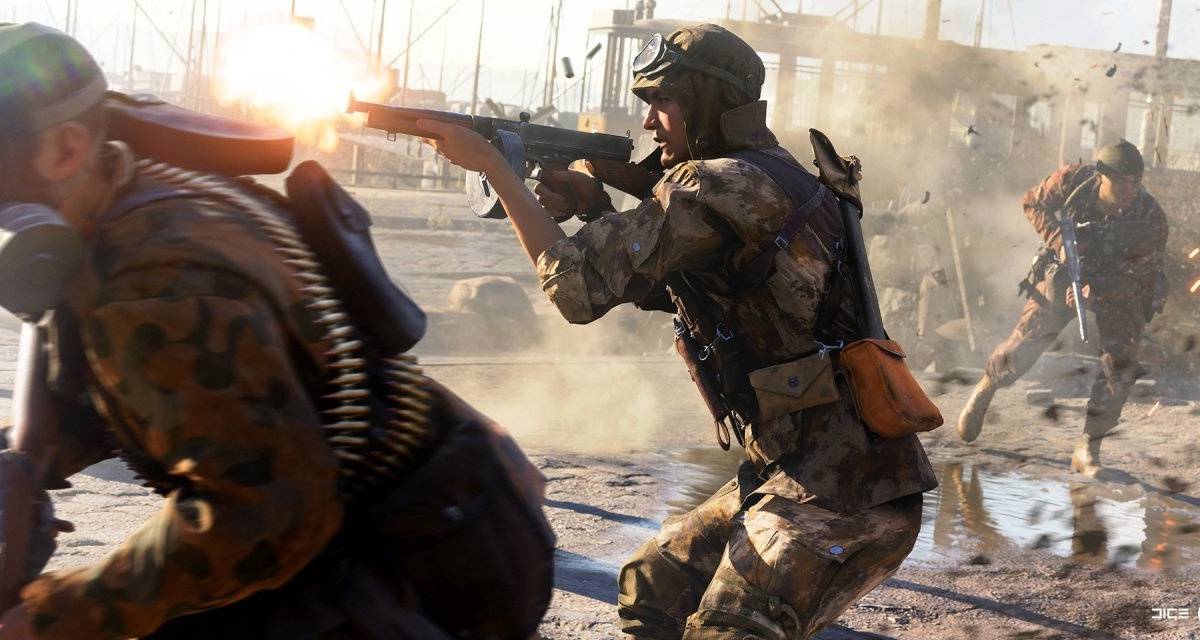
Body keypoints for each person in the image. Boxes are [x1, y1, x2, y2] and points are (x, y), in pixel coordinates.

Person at [0, 23, 552, 640]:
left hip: (410, 574)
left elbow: (264, 516)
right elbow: (189, 394)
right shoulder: (142, 198)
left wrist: (52, 617)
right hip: (426, 524)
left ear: (66, 150)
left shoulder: (153, 281)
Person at [421, 23, 937, 639]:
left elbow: (576, 289)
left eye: (663, 103)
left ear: (706, 102)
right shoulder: (772, 171)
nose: (648, 124)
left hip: (841, 494)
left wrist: (495, 171)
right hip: (804, 468)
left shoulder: (712, 182)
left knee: (729, 629)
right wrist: (593, 206)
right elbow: (681, 287)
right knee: (654, 587)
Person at [956, 141, 1169, 477]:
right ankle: (988, 386)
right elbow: (1032, 202)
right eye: (1121, 182)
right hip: (1066, 271)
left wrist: (1097, 293)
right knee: (1026, 341)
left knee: (1121, 361)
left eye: (1135, 182)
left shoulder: (1150, 218)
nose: (1129, 190)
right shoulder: (1073, 181)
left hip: (1120, 287)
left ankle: (1088, 446)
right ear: (1101, 176)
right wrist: (1059, 242)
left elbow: (1142, 279)